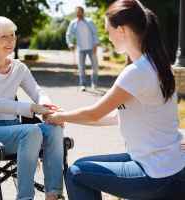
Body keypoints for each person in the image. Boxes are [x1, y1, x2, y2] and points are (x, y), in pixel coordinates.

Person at [47, 0, 185, 199]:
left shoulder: (136, 72)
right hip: (173, 166)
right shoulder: (157, 64)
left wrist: (59, 117)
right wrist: (63, 117)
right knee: (83, 167)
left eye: (108, 30)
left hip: (156, 174)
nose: (108, 38)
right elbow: (115, 116)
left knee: (77, 173)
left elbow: (95, 113)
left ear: (121, 30)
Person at [0, 16, 63, 200]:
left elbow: (37, 91)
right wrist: (33, 108)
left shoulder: (19, 68)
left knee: (55, 128)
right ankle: (25, 197)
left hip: (13, 127)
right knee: (31, 132)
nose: (11, 40)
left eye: (12, 35)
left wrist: (49, 108)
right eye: (4, 36)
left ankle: (53, 194)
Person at [66, 6, 99, 91]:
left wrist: (95, 44)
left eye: (79, 12)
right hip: (80, 48)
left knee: (95, 66)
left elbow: (95, 33)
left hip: (91, 47)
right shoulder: (73, 23)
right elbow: (69, 34)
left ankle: (94, 83)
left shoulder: (89, 21)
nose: (78, 14)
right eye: (77, 12)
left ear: (82, 13)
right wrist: (70, 43)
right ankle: (83, 85)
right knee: (81, 68)